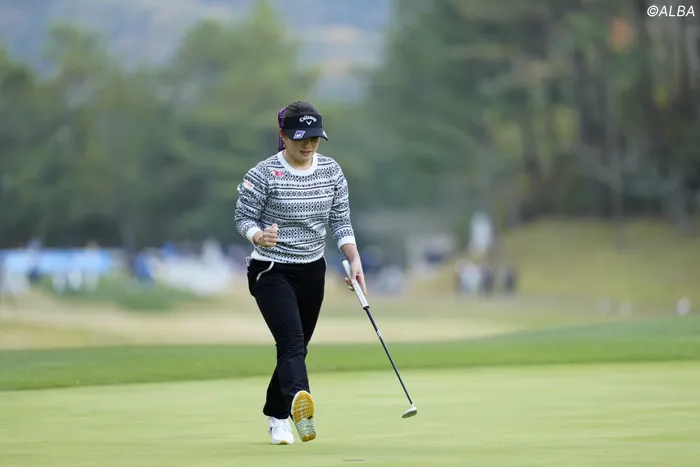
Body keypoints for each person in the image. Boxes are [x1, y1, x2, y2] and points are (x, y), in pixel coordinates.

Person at [234, 100, 367, 445]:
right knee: (291, 341)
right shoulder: (263, 173)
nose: (308, 145)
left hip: (312, 271)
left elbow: (341, 222)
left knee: (297, 347)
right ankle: (299, 407)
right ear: (283, 135)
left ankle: (277, 415)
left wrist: (354, 260)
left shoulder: (331, 172)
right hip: (271, 269)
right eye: (300, 138)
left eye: (314, 138)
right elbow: (243, 217)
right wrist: (258, 235)